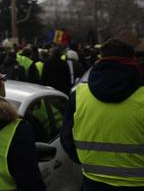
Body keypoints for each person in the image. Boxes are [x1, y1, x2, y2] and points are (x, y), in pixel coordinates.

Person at [60, 39, 144, 190]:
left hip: (92, 181)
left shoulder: (79, 95)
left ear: (100, 60)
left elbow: (66, 139)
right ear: (133, 61)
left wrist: (90, 161)